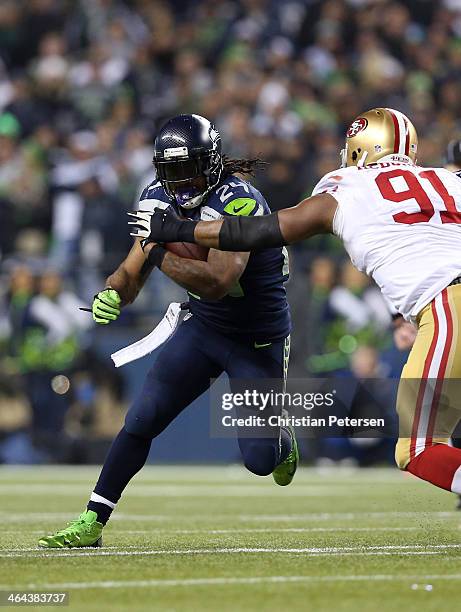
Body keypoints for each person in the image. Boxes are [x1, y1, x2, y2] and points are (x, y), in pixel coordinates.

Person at [141, 107, 461, 498]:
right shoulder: (445, 178)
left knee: (419, 450)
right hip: (441, 300)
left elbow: (261, 231)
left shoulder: (346, 186)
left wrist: (180, 229)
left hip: (449, 306)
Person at [38, 114, 297, 549]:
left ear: (210, 163)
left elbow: (217, 282)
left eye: (188, 168)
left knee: (259, 460)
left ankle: (282, 441)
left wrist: (156, 249)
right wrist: (113, 294)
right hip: (205, 328)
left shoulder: (240, 202)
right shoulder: (156, 198)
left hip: (257, 339)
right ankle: (92, 521)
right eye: (170, 172)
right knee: (141, 419)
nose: (180, 183)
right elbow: (129, 271)